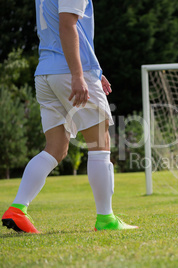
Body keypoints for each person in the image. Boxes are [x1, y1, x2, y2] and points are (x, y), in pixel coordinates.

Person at [2, 0, 138, 233]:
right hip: (69, 71)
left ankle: (17, 209)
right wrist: (78, 74)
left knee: (55, 148)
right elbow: (67, 26)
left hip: (45, 73)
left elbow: (65, 29)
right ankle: (106, 219)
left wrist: (96, 70)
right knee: (100, 143)